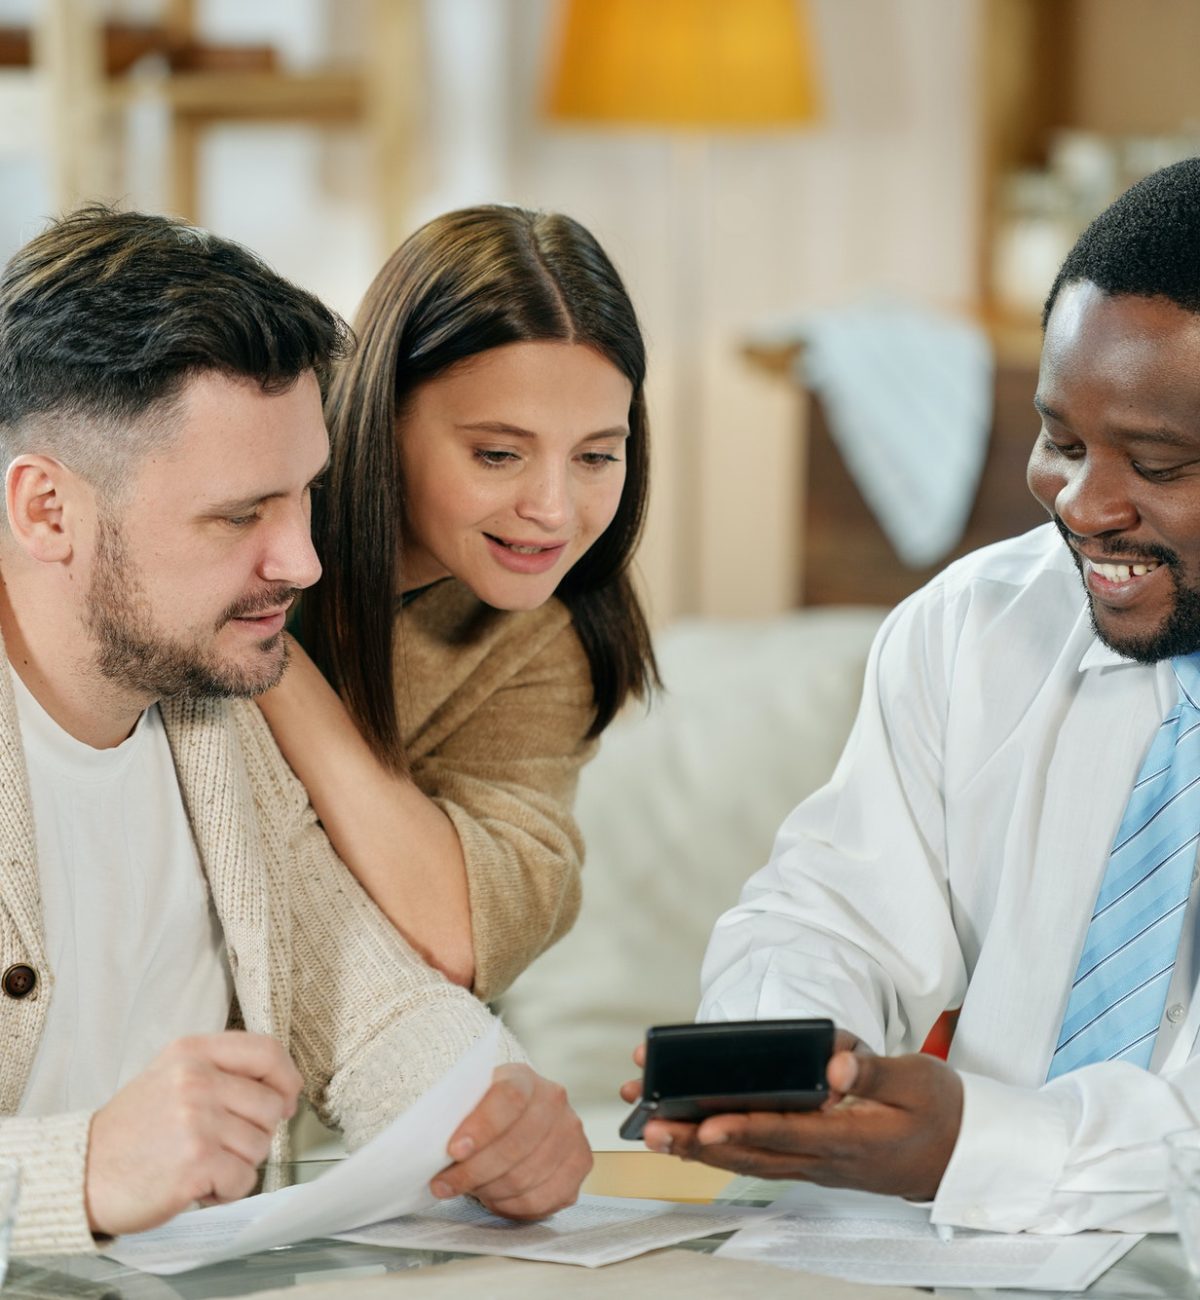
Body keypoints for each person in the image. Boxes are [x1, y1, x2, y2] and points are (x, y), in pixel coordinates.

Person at [625, 157, 1200, 1235]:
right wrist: (791, 1066)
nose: (1082, 504)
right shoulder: (974, 627)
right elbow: (829, 909)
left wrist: (966, 1144)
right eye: (1062, 441)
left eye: (1158, 464)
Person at [0, 206, 590, 1256]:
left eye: (305, 497)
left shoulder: (208, 713)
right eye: (238, 516)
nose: (303, 563)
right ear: (47, 511)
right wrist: (79, 1167)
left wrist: (493, 1106)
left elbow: (363, 995)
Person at [256, 205, 657, 999]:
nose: (552, 507)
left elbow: (463, 937)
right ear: (384, 411)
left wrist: (263, 654)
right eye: (498, 453)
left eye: (596, 456)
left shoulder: (547, 640)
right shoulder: (242, 475)